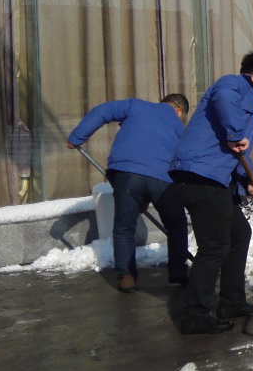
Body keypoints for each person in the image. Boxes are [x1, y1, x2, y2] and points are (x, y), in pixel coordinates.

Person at [170, 51, 253, 334]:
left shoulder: (249, 99)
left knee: (238, 233)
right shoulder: (234, 85)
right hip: (198, 176)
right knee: (215, 246)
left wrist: (251, 181)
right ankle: (194, 315)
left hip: (212, 178)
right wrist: (235, 132)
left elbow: (236, 153)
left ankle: (232, 301)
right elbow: (224, 102)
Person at [67, 94, 191, 293]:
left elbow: (102, 111)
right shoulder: (180, 128)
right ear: (179, 110)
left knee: (124, 227)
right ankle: (178, 271)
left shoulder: (135, 106)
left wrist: (77, 137)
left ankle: (126, 276)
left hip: (127, 174)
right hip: (163, 178)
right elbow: (186, 158)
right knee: (177, 224)